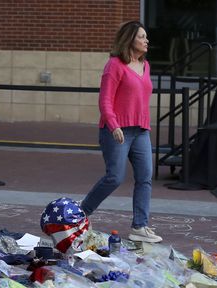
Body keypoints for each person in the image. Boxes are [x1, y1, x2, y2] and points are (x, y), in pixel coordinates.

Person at [80, 21, 162, 244]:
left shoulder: (146, 65)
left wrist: (143, 124)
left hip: (141, 131)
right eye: (142, 37)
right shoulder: (114, 65)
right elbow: (105, 100)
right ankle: (81, 214)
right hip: (116, 130)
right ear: (130, 40)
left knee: (145, 177)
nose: (147, 41)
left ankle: (140, 226)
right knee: (115, 177)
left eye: (146, 37)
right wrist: (114, 124)